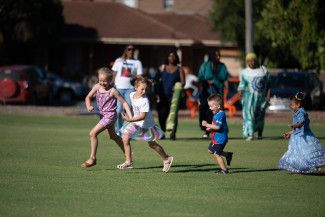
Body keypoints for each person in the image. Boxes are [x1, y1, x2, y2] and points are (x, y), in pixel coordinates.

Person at [117, 77, 174, 172]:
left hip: (146, 125)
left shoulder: (144, 101)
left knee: (152, 144)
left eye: (146, 89)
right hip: (135, 123)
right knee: (125, 138)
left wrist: (129, 119)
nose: (144, 91)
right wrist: (128, 114)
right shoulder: (131, 95)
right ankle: (128, 162)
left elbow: (142, 116)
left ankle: (166, 159)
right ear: (136, 87)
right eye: (142, 89)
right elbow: (131, 107)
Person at [81, 67, 133, 168]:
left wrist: (130, 117)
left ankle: (92, 159)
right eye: (100, 80)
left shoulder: (113, 91)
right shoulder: (96, 87)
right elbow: (87, 97)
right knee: (113, 136)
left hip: (110, 116)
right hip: (103, 116)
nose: (102, 83)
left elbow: (124, 103)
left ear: (110, 80)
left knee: (92, 134)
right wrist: (89, 106)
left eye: (105, 81)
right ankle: (128, 157)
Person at [279, 92, 325, 174]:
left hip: (303, 138)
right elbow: (298, 129)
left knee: (305, 154)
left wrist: (295, 125)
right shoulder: (298, 113)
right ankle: (308, 168)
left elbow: (301, 123)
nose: (290, 106)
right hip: (299, 136)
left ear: (298, 104)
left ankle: (308, 168)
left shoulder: (301, 112)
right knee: (301, 154)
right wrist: (290, 133)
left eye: (292, 104)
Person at [237, 53, 271, 141]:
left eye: (252, 60)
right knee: (249, 115)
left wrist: (268, 96)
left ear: (255, 60)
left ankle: (260, 133)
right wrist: (240, 94)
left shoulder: (263, 70)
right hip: (249, 98)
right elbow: (242, 85)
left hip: (261, 98)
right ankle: (250, 134)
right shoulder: (244, 72)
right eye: (248, 61)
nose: (250, 62)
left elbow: (269, 85)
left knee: (260, 116)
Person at [112, 44, 143, 135]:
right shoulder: (119, 61)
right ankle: (119, 131)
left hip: (130, 89)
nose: (131, 51)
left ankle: (127, 130)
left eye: (133, 49)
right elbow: (114, 74)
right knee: (118, 111)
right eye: (129, 49)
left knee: (129, 109)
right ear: (126, 50)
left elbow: (139, 77)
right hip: (119, 88)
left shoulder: (137, 62)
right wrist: (111, 85)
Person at [198, 49, 229, 139]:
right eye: (216, 55)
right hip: (205, 91)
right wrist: (206, 81)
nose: (218, 57)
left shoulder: (222, 66)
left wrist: (226, 87)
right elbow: (200, 78)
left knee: (216, 111)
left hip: (217, 92)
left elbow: (225, 78)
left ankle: (218, 131)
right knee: (204, 110)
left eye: (219, 55)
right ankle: (206, 130)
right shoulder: (205, 65)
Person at [156, 50, 185, 140]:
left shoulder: (179, 69)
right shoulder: (162, 68)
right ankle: (163, 131)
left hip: (174, 96)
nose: (171, 58)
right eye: (170, 56)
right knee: (162, 115)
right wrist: (156, 93)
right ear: (167, 58)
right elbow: (156, 80)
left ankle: (173, 133)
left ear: (176, 58)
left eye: (173, 56)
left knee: (173, 114)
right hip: (162, 95)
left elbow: (183, 82)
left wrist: (178, 88)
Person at [201, 94, 233, 174]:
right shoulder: (216, 114)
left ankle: (224, 170)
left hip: (220, 138)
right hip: (216, 138)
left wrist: (207, 125)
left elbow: (218, 127)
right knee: (210, 150)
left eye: (211, 106)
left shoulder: (221, 115)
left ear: (218, 106)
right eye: (209, 106)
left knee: (217, 154)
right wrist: (210, 128)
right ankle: (227, 155)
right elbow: (215, 126)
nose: (210, 108)